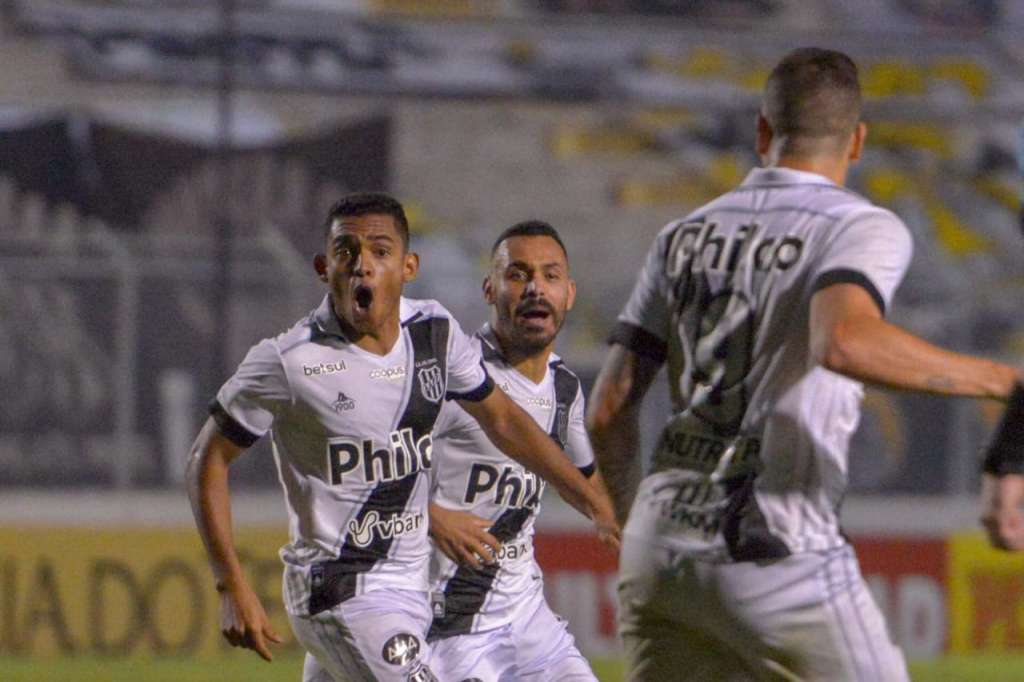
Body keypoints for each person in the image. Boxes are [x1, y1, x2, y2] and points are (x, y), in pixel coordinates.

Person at [586, 47, 1022, 681]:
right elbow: (844, 342)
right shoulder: (857, 227)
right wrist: (1003, 380)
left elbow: (608, 407)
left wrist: (632, 526)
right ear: (859, 141)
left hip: (661, 551)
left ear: (762, 132)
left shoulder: (681, 235)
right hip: (776, 550)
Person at [185, 192, 618, 682]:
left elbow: (504, 420)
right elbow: (207, 458)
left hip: (417, 592)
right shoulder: (289, 361)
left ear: (408, 265)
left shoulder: (435, 335)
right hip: (342, 590)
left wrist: (595, 502)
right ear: (324, 267)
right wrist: (230, 586)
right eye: (347, 252)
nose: (362, 266)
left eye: (379, 251)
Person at [426, 220, 604, 681]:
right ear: (490, 288)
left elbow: (584, 480)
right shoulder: (451, 376)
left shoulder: (565, 388)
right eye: (518, 274)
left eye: (550, 276)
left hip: (525, 619)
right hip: (443, 624)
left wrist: (637, 527)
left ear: (569, 293)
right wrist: (431, 516)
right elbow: (369, 468)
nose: (535, 289)